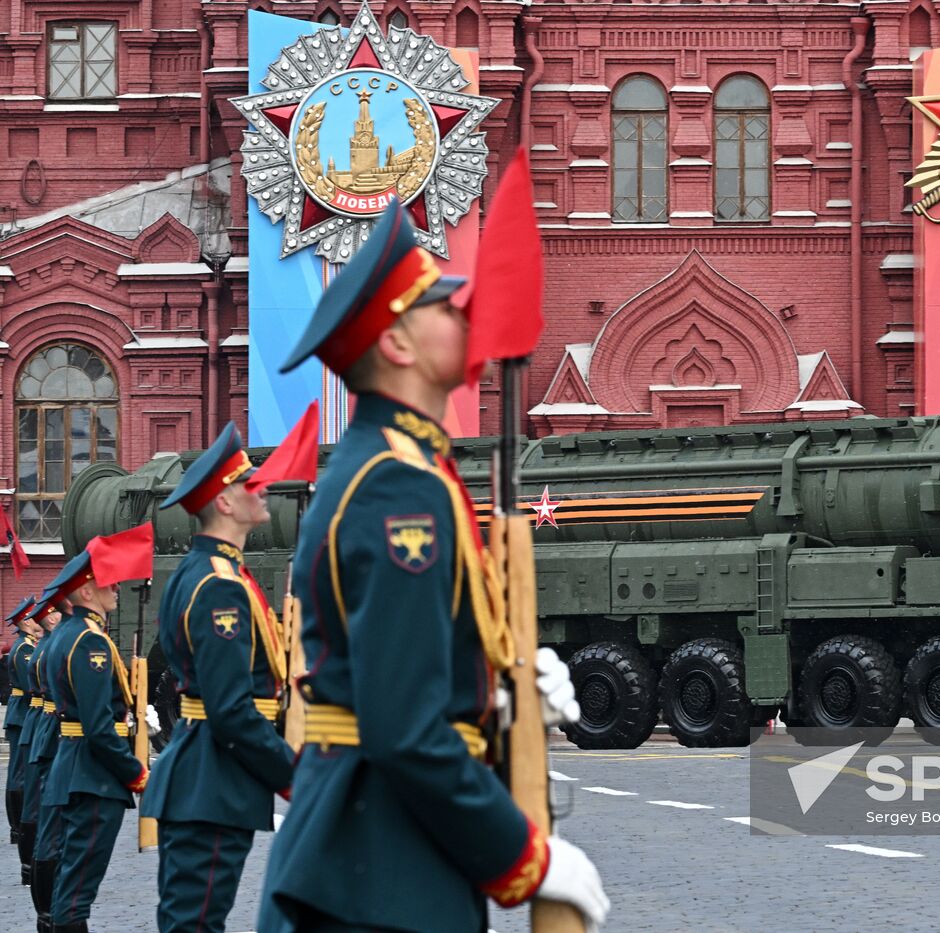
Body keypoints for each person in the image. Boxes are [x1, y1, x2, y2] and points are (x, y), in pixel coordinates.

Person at [258, 198, 606, 933]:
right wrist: (525, 859)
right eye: (441, 304)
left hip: (376, 864)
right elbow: (403, 727)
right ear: (399, 345)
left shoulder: (404, 467)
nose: (464, 313)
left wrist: (497, 695)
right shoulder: (398, 485)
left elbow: (400, 669)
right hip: (379, 869)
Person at [142, 421, 294, 933]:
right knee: (196, 923)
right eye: (250, 484)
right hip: (211, 779)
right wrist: (295, 775)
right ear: (225, 503)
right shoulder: (218, 586)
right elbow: (231, 710)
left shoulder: (209, 572)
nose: (263, 489)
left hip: (208, 774)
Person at [41, 550, 149, 933]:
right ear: (86, 591)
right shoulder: (90, 642)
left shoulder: (66, 635)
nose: (116, 586)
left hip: (75, 768)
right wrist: (135, 773)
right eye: (108, 580)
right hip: (93, 776)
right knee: (76, 894)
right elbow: (100, 727)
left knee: (69, 884)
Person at [16, 593, 63, 893]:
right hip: (47, 722)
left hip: (42, 720)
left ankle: (34, 872)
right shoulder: (37, 649)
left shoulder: (43, 646)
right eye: (54, 613)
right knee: (43, 803)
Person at [5, 596, 38, 845]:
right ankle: (17, 827)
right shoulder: (24, 649)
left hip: (22, 711)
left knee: (19, 771)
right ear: (24, 622)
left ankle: (17, 826)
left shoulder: (27, 646)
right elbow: (31, 687)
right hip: (22, 713)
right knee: (18, 773)